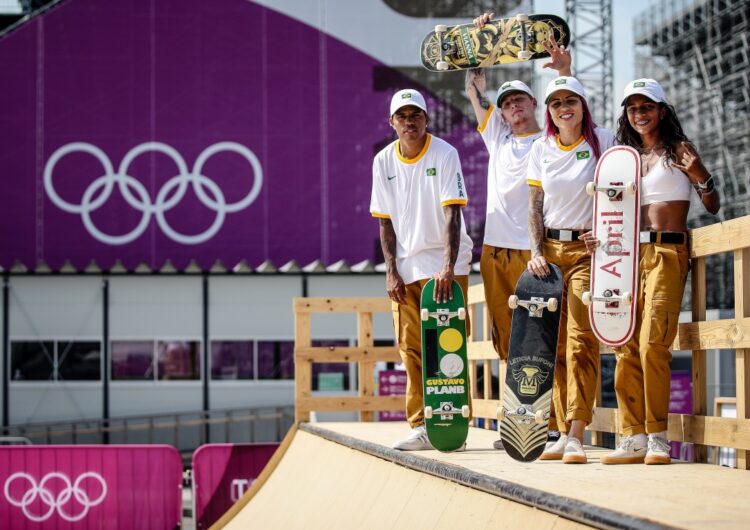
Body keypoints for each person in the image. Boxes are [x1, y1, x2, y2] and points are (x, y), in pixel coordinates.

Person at [466, 12, 573, 451]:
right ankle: (519, 422)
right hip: (495, 251)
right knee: (506, 338)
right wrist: (479, 43)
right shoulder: (497, 137)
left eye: (520, 101)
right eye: (506, 103)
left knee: (548, 337)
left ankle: (553, 424)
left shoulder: (551, 139)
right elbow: (474, 87)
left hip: (537, 251)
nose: (512, 108)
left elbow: (573, 107)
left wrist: (564, 72)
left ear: (534, 105)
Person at [599, 79, 720, 465]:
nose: (640, 113)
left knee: (654, 343)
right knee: (625, 343)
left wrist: (700, 173)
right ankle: (632, 436)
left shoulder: (679, 150)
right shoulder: (626, 157)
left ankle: (657, 436)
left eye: (647, 106)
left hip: (668, 250)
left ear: (662, 110)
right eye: (633, 108)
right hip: (628, 255)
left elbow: (713, 205)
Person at [371, 88, 474, 451]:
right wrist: (391, 271)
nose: (409, 121)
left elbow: (453, 212)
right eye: (402, 116)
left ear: (426, 119)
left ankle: (454, 423)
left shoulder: (445, 153)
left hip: (445, 265)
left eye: (416, 115)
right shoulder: (383, 161)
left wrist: (447, 267)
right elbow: (384, 222)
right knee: (410, 348)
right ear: (392, 122)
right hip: (407, 266)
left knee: (449, 347)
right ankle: (420, 425)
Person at [526, 76, 615, 463]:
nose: (564, 107)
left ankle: (577, 432)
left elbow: (621, 193)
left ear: (582, 105)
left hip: (585, 251)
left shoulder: (604, 141)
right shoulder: (540, 148)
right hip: (549, 252)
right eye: (556, 102)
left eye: (571, 100)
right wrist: (535, 250)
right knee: (555, 345)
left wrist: (606, 226)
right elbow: (534, 206)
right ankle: (561, 432)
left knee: (581, 340)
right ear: (548, 111)